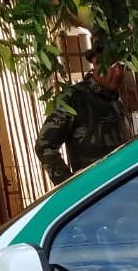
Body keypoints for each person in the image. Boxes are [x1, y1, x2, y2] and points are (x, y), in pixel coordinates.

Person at [35, 39, 132, 185]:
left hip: (124, 190)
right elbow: (45, 146)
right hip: (96, 195)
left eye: (122, 65)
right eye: (112, 65)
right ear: (95, 63)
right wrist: (70, 187)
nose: (118, 72)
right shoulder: (74, 98)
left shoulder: (115, 98)